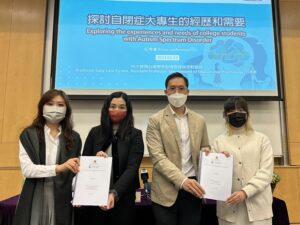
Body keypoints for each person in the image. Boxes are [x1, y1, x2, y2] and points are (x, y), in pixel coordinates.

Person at [146, 72, 210, 225]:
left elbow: (205, 146)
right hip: (165, 191)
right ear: (165, 92)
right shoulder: (155, 120)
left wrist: (207, 152)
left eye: (181, 88)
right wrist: (182, 180)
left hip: (193, 189)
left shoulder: (199, 120)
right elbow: (158, 158)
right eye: (172, 88)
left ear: (187, 91)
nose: (177, 93)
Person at [13, 89, 82, 225]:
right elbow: (27, 170)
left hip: (62, 197)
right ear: (42, 106)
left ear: (66, 110)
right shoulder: (28, 135)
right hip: (35, 195)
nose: (55, 108)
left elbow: (74, 173)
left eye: (60, 105)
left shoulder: (74, 138)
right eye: (50, 103)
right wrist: (58, 168)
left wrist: (79, 194)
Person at [79, 91, 144, 225]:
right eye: (113, 106)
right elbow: (84, 162)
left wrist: (114, 193)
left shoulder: (135, 135)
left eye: (122, 107)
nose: (117, 110)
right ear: (106, 108)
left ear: (128, 110)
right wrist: (95, 160)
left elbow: (132, 168)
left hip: (124, 196)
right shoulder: (94, 132)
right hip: (95, 195)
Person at [213, 96, 274, 225]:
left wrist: (245, 192)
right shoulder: (218, 141)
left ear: (247, 113)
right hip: (228, 211)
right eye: (231, 111)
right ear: (225, 115)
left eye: (240, 109)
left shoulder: (262, 139)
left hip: (259, 210)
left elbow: (266, 173)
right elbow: (214, 177)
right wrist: (217, 161)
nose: (236, 113)